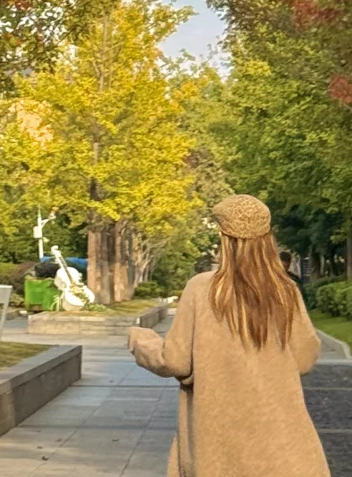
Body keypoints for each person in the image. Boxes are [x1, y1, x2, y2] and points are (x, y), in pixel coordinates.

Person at [128, 195, 330, 477]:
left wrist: (141, 341)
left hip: (219, 443)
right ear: (267, 236)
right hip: (282, 443)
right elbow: (305, 358)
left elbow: (175, 360)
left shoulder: (202, 289)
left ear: (224, 237)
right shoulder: (286, 291)